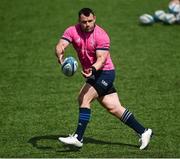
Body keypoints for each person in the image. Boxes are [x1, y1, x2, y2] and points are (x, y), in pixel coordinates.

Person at [55, 8, 153, 150]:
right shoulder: (72, 30)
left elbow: (101, 59)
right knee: (114, 107)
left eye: (90, 21)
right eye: (84, 22)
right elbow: (61, 44)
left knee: (84, 98)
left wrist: (92, 70)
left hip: (105, 73)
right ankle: (144, 131)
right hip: (94, 74)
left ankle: (78, 137)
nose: (87, 24)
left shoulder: (101, 35)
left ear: (95, 19)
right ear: (79, 21)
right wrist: (60, 54)